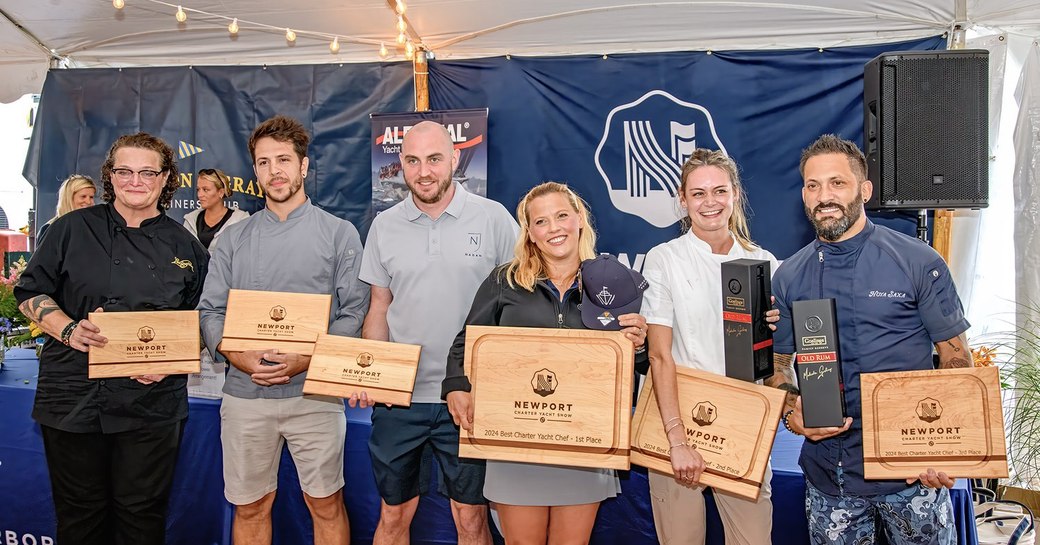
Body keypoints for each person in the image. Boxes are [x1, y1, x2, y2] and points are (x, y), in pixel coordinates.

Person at [770, 134, 972, 545]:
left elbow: (956, 360)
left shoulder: (917, 260)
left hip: (912, 476)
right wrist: (793, 413)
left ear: (864, 190)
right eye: (813, 185)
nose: (824, 196)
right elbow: (777, 370)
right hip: (831, 481)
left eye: (837, 183)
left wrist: (944, 450)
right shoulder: (789, 275)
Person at [15, 133, 209, 545]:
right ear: (111, 176)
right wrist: (67, 328)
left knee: (142, 517)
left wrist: (169, 363)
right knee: (80, 518)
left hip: (152, 405)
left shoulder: (187, 247)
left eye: (146, 172)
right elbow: (29, 292)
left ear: (166, 178)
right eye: (124, 171)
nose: (135, 181)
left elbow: (201, 323)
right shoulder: (69, 228)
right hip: (73, 397)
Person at [443, 182, 650, 545]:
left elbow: (626, 364)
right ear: (531, 235)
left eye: (561, 216)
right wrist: (457, 385)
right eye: (541, 222)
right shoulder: (503, 281)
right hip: (515, 439)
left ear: (580, 220)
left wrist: (639, 346)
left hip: (583, 443)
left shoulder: (610, 284)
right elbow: (468, 341)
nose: (554, 228)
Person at [197, 115, 369, 545]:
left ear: (304, 166)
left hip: (315, 395)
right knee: (251, 505)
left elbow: (353, 311)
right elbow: (210, 311)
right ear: (254, 171)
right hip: (244, 397)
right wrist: (239, 357)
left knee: (326, 504)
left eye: (284, 160)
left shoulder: (339, 233)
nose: (275, 171)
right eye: (263, 162)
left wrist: (306, 359)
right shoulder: (233, 240)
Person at [357, 120, 518, 545]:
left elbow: (516, 308)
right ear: (401, 165)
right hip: (399, 398)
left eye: (433, 159)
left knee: (470, 519)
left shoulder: (494, 219)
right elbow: (379, 306)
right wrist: (372, 375)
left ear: (454, 159)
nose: (423, 171)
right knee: (393, 517)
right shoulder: (384, 226)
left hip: (469, 396)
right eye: (412, 160)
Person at [640, 149, 778, 545]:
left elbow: (773, 361)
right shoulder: (664, 259)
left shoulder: (761, 261)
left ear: (735, 194)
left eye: (719, 191)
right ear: (682, 200)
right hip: (679, 423)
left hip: (742, 425)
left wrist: (779, 329)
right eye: (698, 194)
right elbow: (659, 355)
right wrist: (676, 439)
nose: (710, 202)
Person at [182, 168, 249, 251]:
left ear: (221, 192)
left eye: (206, 190)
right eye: (198, 189)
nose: (200, 195)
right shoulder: (190, 220)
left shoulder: (240, 221)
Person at [37, 174, 96, 241]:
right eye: (83, 196)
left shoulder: (95, 229)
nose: (88, 202)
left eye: (91, 197)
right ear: (69, 198)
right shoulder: (49, 230)